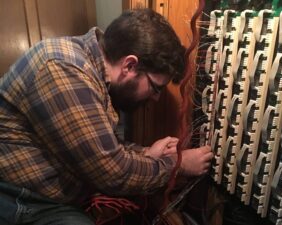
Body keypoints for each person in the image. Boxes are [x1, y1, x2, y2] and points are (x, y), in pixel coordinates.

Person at [0, 8, 213, 225]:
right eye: (155, 87)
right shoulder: (63, 68)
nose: (156, 98)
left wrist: (147, 153)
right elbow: (112, 173)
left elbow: (102, 146)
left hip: (47, 196)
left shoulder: (91, 69)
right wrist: (180, 164)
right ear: (129, 65)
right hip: (19, 198)